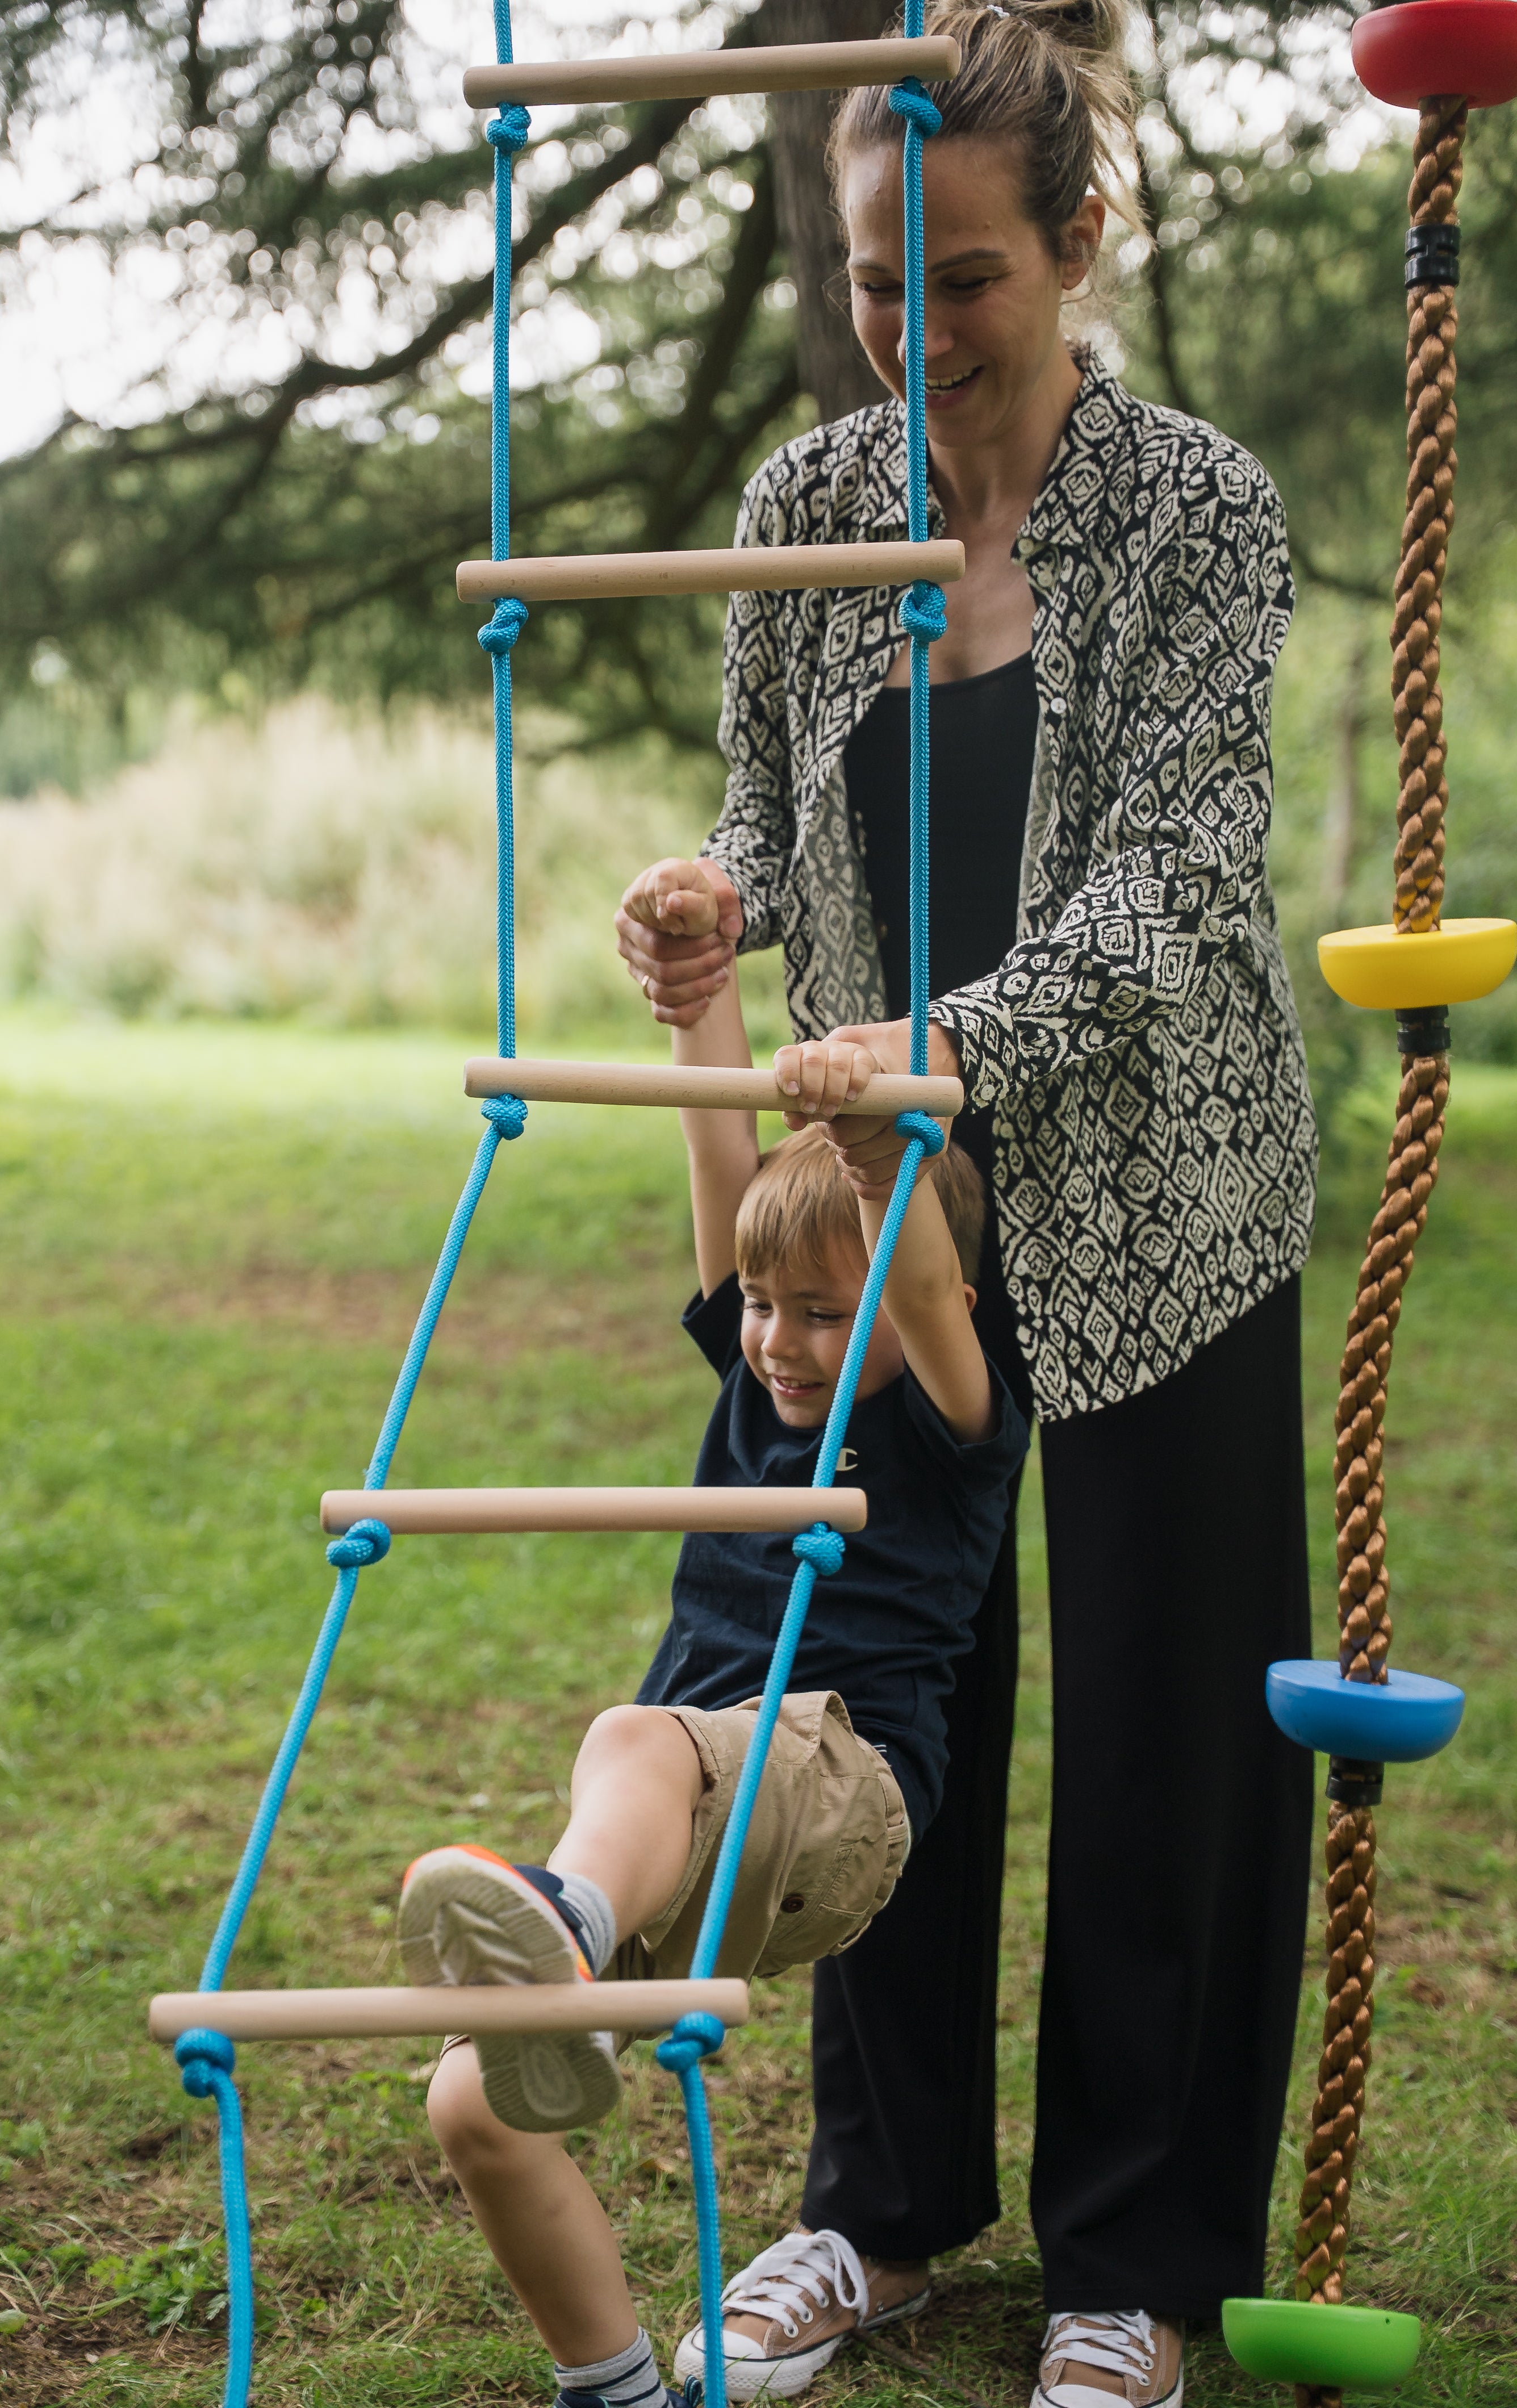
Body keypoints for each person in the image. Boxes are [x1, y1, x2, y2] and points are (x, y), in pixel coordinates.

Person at [613, 5, 1320, 2405]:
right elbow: (756, 792)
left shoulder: (1198, 510)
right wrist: (708, 908)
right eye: (876, 280)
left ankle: (1132, 2258)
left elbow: (1183, 872)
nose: (920, 331)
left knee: (1157, 1726)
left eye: (974, 278)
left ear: (1081, 244)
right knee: (871, 1691)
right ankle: (880, 2213)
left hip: (1159, 1195)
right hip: (882, 1204)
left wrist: (955, 1045)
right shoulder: (811, 507)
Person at [407, 946, 1029, 2408]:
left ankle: (559, 1917)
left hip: (843, 1792)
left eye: (823, 1310)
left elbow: (921, 1270)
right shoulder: (751, 1373)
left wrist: (882, 1131)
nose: (777, 1341)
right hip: (697, 1810)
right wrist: (700, 978)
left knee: (637, 1733)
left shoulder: (957, 1419)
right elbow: (718, 1137)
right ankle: (615, 2379)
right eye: (763, 1301)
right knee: (473, 2098)